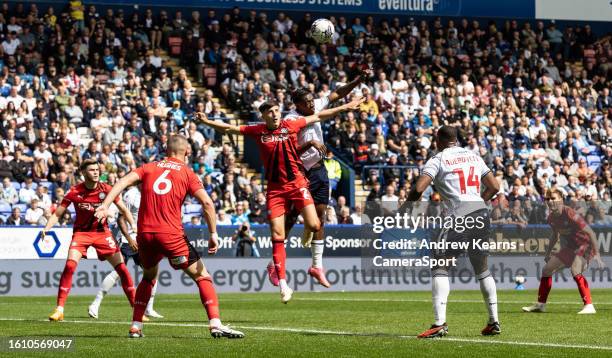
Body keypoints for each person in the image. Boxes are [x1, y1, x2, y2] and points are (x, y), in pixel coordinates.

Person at [196, 97, 363, 303]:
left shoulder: (291, 124)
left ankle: (299, 254)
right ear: (263, 116)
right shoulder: (258, 131)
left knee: (314, 224)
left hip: (297, 185)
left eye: (277, 110)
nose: (275, 114)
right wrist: (206, 122)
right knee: (278, 234)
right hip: (275, 191)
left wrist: (346, 107)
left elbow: (320, 115)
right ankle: (283, 284)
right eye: (270, 112)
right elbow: (229, 128)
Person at [94, 135, 243, 339]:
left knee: (148, 277)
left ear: (166, 150)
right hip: (171, 235)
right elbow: (208, 204)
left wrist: (105, 205)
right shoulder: (188, 173)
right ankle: (215, 324)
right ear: (187, 152)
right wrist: (213, 234)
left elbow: (123, 181)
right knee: (202, 276)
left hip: (145, 236)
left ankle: (136, 326)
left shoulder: (148, 167)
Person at [404, 126, 501, 338]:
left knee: (440, 264)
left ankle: (439, 324)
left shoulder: (437, 159)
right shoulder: (473, 155)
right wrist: (476, 203)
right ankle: (494, 321)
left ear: (438, 140)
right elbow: (494, 186)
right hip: (480, 214)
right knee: (482, 268)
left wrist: (405, 207)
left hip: (459, 215)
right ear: (455, 139)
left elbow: (419, 188)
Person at [281, 69, 370, 287]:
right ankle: (277, 262)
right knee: (292, 216)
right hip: (300, 171)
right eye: (307, 102)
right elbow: (289, 153)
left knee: (320, 218)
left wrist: (357, 79)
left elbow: (336, 94)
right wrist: (310, 144)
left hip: (320, 170)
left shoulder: (315, 105)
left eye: (312, 100)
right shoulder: (290, 120)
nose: (312, 104)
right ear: (298, 105)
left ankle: (317, 266)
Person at [45, 159, 137, 322]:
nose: (96, 172)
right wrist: (46, 229)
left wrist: (134, 227)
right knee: (69, 266)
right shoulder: (74, 192)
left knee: (122, 269)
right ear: (83, 173)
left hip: (103, 233)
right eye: (92, 170)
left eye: (97, 169)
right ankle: (59, 309)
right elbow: (58, 213)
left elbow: (124, 209)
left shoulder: (107, 189)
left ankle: (137, 310)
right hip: (81, 234)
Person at [522, 188, 605, 315]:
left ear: (561, 199)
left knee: (575, 270)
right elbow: (555, 236)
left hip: (585, 246)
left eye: (553, 198)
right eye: (548, 199)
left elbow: (591, 232)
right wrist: (548, 252)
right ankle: (540, 305)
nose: (550, 201)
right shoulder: (551, 218)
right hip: (570, 248)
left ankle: (589, 306)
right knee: (546, 270)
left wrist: (597, 254)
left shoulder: (570, 213)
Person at [88, 185, 163, 320]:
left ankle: (149, 309)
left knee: (153, 272)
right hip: (127, 240)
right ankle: (95, 304)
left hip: (142, 240)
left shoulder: (151, 193)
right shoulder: (132, 195)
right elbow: (121, 218)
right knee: (118, 272)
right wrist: (129, 238)